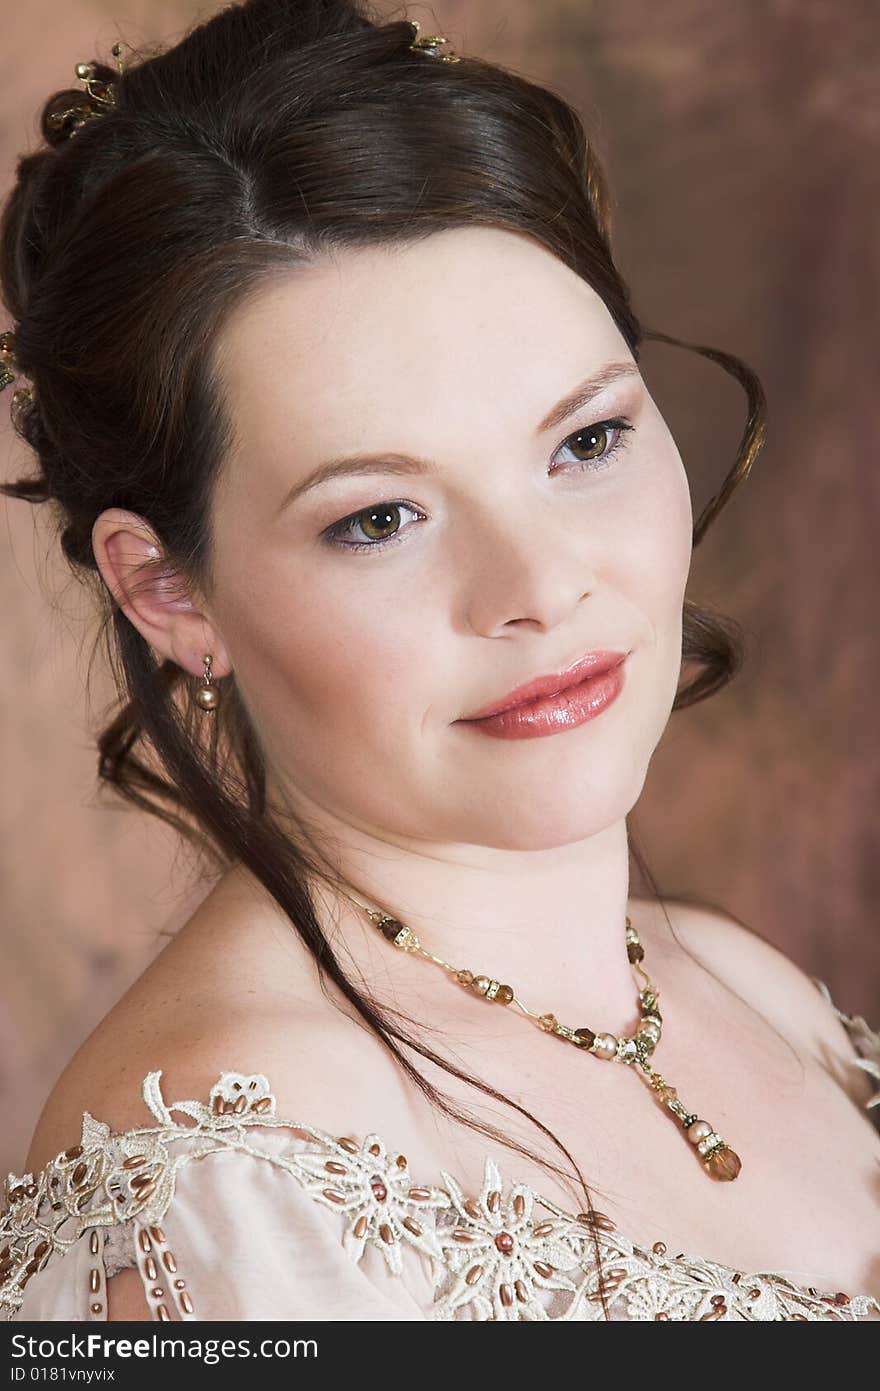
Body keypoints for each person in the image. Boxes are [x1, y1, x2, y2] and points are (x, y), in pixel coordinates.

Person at [1, 0, 877, 1325]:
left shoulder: (744, 985)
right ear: (167, 589)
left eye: (585, 442)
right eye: (377, 519)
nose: (540, 589)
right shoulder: (240, 1189)